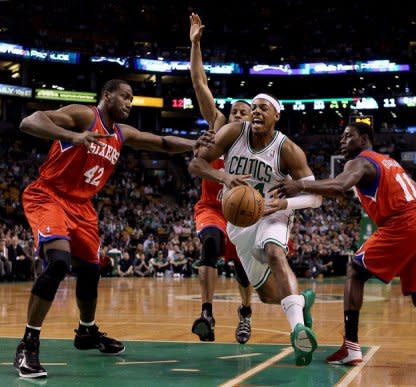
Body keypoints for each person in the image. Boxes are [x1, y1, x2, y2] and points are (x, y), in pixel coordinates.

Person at [14, 78, 213, 378]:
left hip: (82, 207)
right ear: (106, 96)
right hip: (49, 195)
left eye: (132, 100)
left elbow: (160, 142)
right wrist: (71, 135)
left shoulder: (121, 133)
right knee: (58, 263)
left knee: (92, 271)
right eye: (125, 97)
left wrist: (193, 144)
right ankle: (28, 344)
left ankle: (86, 331)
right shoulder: (84, 116)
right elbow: (30, 121)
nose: (129, 104)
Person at [272, 122, 416, 364]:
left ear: (364, 138)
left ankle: (351, 347)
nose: (341, 141)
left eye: (348, 136)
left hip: (404, 223)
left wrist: (300, 184)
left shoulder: (360, 161)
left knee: (354, 268)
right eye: (341, 137)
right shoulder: (390, 163)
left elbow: (341, 185)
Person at [189, 92, 322, 366]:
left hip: (273, 213)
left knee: (275, 252)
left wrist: (284, 203)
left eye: (264, 108)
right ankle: (302, 302)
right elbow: (196, 164)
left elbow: (315, 197)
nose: (257, 112)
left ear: (277, 116)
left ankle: (298, 332)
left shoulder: (288, 150)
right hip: (239, 221)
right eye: (254, 107)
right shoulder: (232, 133)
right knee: (268, 294)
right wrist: (223, 176)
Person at [188, 13, 254, 344]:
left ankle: (244, 314)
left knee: (243, 268)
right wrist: (195, 43)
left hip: (241, 214)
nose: (238, 115)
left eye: (245, 112)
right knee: (210, 243)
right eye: (235, 112)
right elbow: (200, 83)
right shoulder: (216, 128)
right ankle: (206, 312)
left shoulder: (258, 146)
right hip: (212, 208)